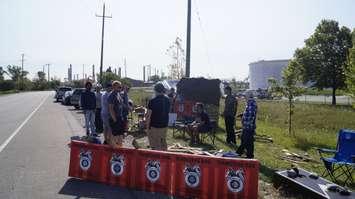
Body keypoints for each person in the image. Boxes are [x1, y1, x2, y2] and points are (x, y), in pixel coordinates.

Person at [146, 83, 170, 151]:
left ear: (155, 90)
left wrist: (147, 127)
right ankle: (166, 156)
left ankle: (159, 159)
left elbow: (148, 115)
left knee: (156, 143)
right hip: (165, 124)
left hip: (155, 125)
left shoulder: (152, 101)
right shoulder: (167, 99)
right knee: (163, 141)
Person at [236, 91, 258, 158]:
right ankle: (250, 155)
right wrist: (242, 115)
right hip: (248, 126)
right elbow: (249, 113)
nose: (244, 97)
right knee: (249, 141)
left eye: (245, 96)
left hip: (248, 126)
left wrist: (246, 125)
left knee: (245, 140)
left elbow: (251, 116)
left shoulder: (251, 103)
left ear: (248, 96)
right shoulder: (250, 103)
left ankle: (239, 152)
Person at [108, 81, 125, 148]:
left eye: (121, 87)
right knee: (114, 135)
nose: (120, 88)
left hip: (120, 117)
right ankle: (114, 150)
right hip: (115, 118)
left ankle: (120, 148)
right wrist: (115, 119)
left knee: (120, 134)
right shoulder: (111, 95)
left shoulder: (118, 94)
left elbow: (121, 104)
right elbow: (110, 108)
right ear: (114, 87)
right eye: (119, 87)